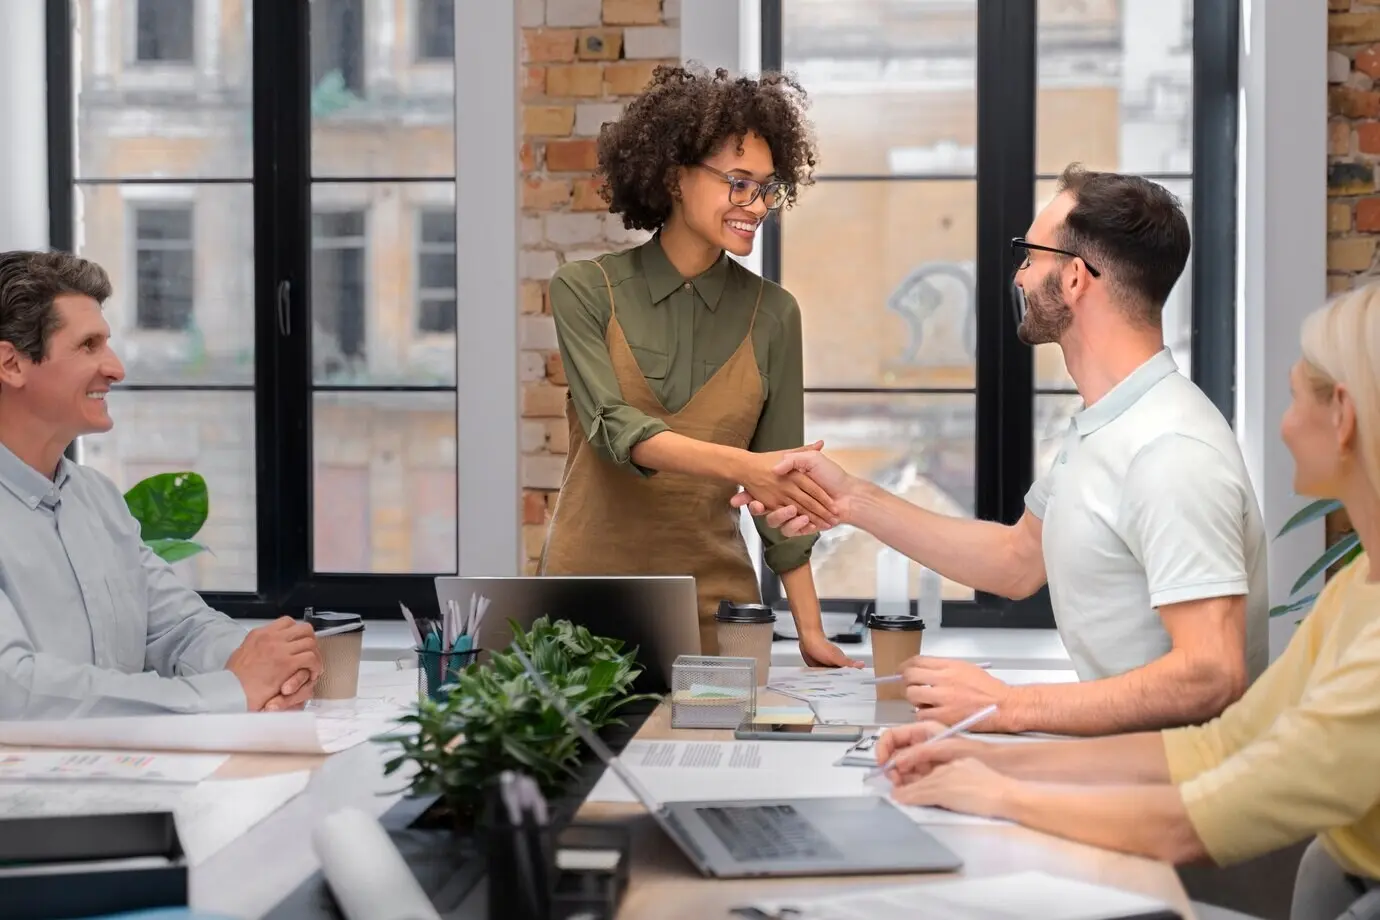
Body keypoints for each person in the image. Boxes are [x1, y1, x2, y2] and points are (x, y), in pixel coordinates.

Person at [872, 286, 1380, 920]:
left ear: (1345, 416)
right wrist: (985, 757)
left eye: (1296, 394)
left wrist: (999, 788)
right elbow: (1216, 747)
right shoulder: (1355, 592)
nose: (1280, 424)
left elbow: (1198, 819)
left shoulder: (1173, 452)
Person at [736, 165, 1269, 734]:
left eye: (1031, 254)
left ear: (1074, 280)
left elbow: (1210, 674)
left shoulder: (1171, 451)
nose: (1018, 276)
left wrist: (1010, 706)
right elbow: (1018, 560)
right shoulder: (1106, 423)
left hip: (1179, 805)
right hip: (1124, 775)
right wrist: (851, 500)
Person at [539, 65, 857, 667]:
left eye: (767, 187)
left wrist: (811, 632)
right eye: (738, 182)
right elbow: (614, 429)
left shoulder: (774, 315)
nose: (756, 205)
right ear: (674, 177)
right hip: (581, 610)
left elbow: (782, 494)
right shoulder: (584, 290)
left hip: (718, 615)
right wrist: (748, 468)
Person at [0, 250, 322, 719]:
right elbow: (15, 689)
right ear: (11, 364)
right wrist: (233, 689)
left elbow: (181, 629)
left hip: (128, 776)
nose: (115, 368)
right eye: (88, 345)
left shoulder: (98, 500)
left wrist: (272, 667)